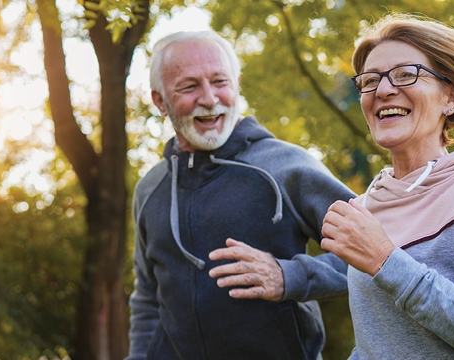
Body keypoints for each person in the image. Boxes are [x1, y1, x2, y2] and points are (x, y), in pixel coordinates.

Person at [320, 14, 454, 359]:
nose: (383, 90)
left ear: (449, 98)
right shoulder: (364, 207)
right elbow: (376, 344)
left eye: (406, 74)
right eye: (369, 80)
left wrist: (386, 260)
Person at [127, 30, 354, 360]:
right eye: (190, 86)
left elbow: (375, 252)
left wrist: (289, 276)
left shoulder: (286, 166)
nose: (209, 98)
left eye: (219, 81)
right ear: (160, 101)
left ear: (237, 83)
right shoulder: (150, 189)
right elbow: (148, 295)